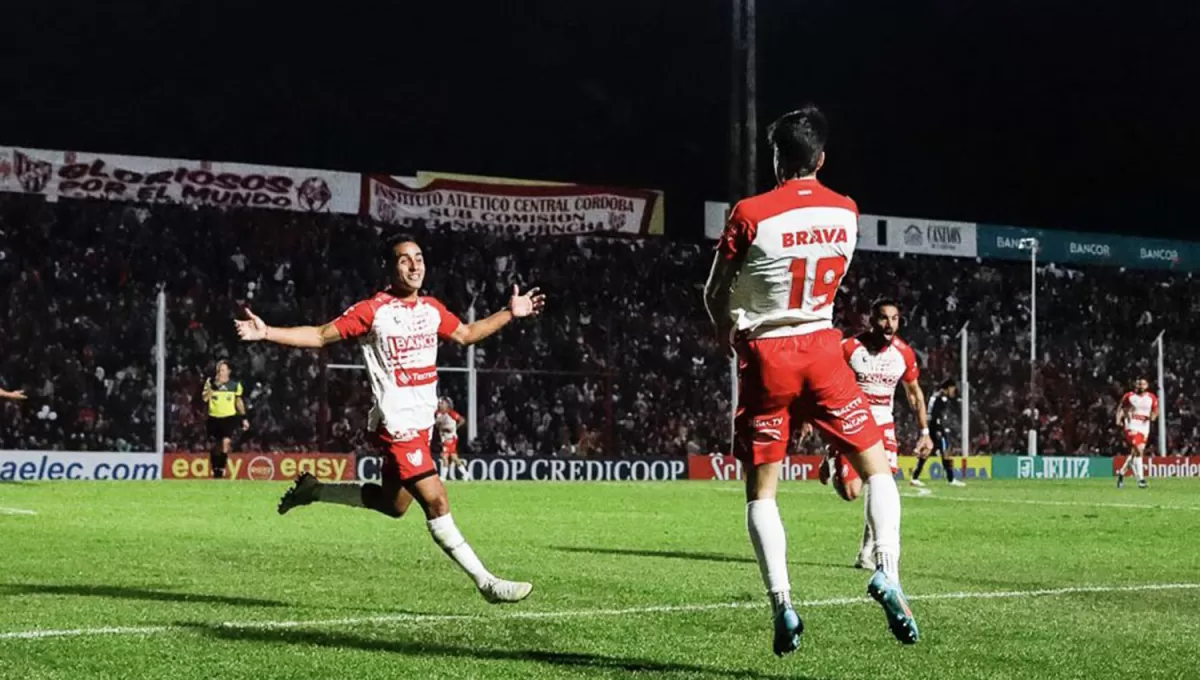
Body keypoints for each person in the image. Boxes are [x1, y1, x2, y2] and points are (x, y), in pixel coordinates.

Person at [703, 105, 918, 655]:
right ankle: (888, 573)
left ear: (778, 160)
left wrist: (729, 330)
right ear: (821, 159)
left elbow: (714, 291)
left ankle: (783, 604)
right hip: (823, 345)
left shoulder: (750, 212)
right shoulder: (847, 210)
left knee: (761, 494)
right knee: (878, 469)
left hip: (766, 352)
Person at [234, 235, 543, 604]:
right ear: (389, 267)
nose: (414, 266)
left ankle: (315, 490)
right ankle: (487, 582)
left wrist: (510, 312)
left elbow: (465, 334)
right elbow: (319, 335)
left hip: (422, 423)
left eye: (419, 258)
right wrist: (266, 332)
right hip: (397, 425)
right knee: (437, 501)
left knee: (393, 505)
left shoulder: (431, 309)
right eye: (404, 260)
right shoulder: (372, 311)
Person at [834, 299, 933, 570]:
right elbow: (828, 385)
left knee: (882, 484)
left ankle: (868, 553)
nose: (889, 324)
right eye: (883, 318)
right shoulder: (849, 348)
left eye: (895, 318)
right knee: (850, 491)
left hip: (883, 426)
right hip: (852, 421)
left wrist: (924, 432)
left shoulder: (904, 353)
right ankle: (835, 460)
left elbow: (914, 395)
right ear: (871, 320)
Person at [911, 380, 965, 487]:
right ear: (948, 387)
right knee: (945, 452)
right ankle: (951, 479)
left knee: (928, 451)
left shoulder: (935, 396)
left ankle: (914, 477)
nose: (953, 391)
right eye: (952, 388)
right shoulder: (941, 398)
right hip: (937, 428)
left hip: (932, 427)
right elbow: (936, 414)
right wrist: (938, 429)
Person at [202, 360, 249, 479]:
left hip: (229, 417)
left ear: (228, 371)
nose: (221, 373)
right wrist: (212, 388)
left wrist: (244, 418)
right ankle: (215, 468)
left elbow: (238, 402)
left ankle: (221, 469)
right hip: (213, 417)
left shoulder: (234, 385)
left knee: (226, 442)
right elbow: (204, 399)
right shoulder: (210, 382)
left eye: (223, 370)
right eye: (219, 370)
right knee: (215, 446)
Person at [1115, 377, 1157, 489]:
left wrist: (1153, 417)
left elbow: (1155, 411)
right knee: (1139, 450)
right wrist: (1118, 419)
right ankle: (1141, 480)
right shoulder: (1129, 396)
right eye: (1139, 384)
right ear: (1136, 385)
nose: (1141, 386)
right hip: (1131, 425)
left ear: (1147, 386)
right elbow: (1121, 407)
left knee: (1136, 452)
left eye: (1143, 384)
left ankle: (1121, 472)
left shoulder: (1151, 398)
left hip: (1144, 427)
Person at [436, 397, 470, 480]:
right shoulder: (438, 414)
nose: (440, 405)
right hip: (444, 438)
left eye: (442, 403)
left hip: (450, 438)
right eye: (440, 403)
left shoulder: (451, 413)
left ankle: (443, 477)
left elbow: (462, 420)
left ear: (447, 405)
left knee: (444, 456)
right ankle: (465, 473)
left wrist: (455, 428)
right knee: (454, 457)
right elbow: (437, 426)